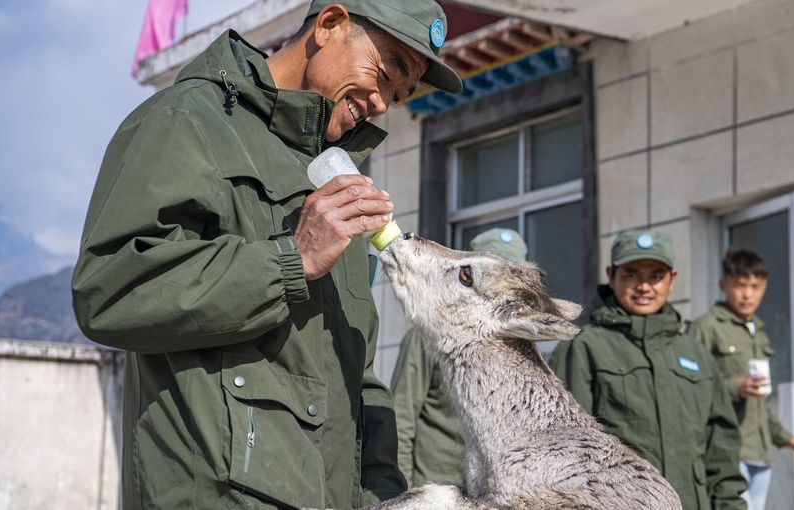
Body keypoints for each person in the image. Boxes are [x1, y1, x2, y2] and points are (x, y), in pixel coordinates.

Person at [71, 0, 462, 508]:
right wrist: (292, 260)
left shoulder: (332, 178)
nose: (385, 102)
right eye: (386, 73)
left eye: (399, 93)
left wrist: (384, 499)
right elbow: (110, 290)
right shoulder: (188, 120)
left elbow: (356, 379)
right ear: (330, 25)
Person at [549, 230, 747, 510]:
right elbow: (566, 445)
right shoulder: (584, 347)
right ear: (611, 275)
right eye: (631, 274)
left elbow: (721, 447)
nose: (644, 286)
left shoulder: (695, 353)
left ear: (672, 280)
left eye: (655, 276)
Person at [390, 228, 529, 488]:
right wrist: (402, 490)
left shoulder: (523, 348)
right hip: (435, 489)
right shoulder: (425, 337)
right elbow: (401, 419)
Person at [689, 249, 794, 510]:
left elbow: (762, 401)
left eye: (755, 286)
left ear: (764, 287)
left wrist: (784, 438)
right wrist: (735, 386)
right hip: (725, 449)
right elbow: (689, 384)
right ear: (723, 285)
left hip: (760, 451)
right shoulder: (707, 327)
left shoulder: (759, 332)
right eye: (740, 285)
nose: (748, 294)